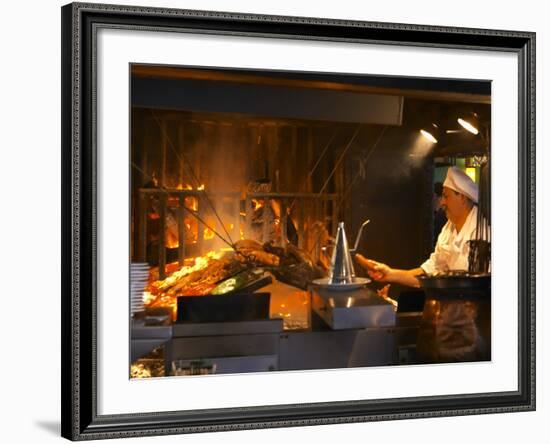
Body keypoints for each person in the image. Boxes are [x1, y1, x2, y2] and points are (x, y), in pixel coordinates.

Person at [355, 166, 482, 287]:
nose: (442, 202)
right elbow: (429, 272)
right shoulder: (448, 229)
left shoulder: (482, 230)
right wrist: (391, 274)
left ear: (463, 198)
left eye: (446, 196)